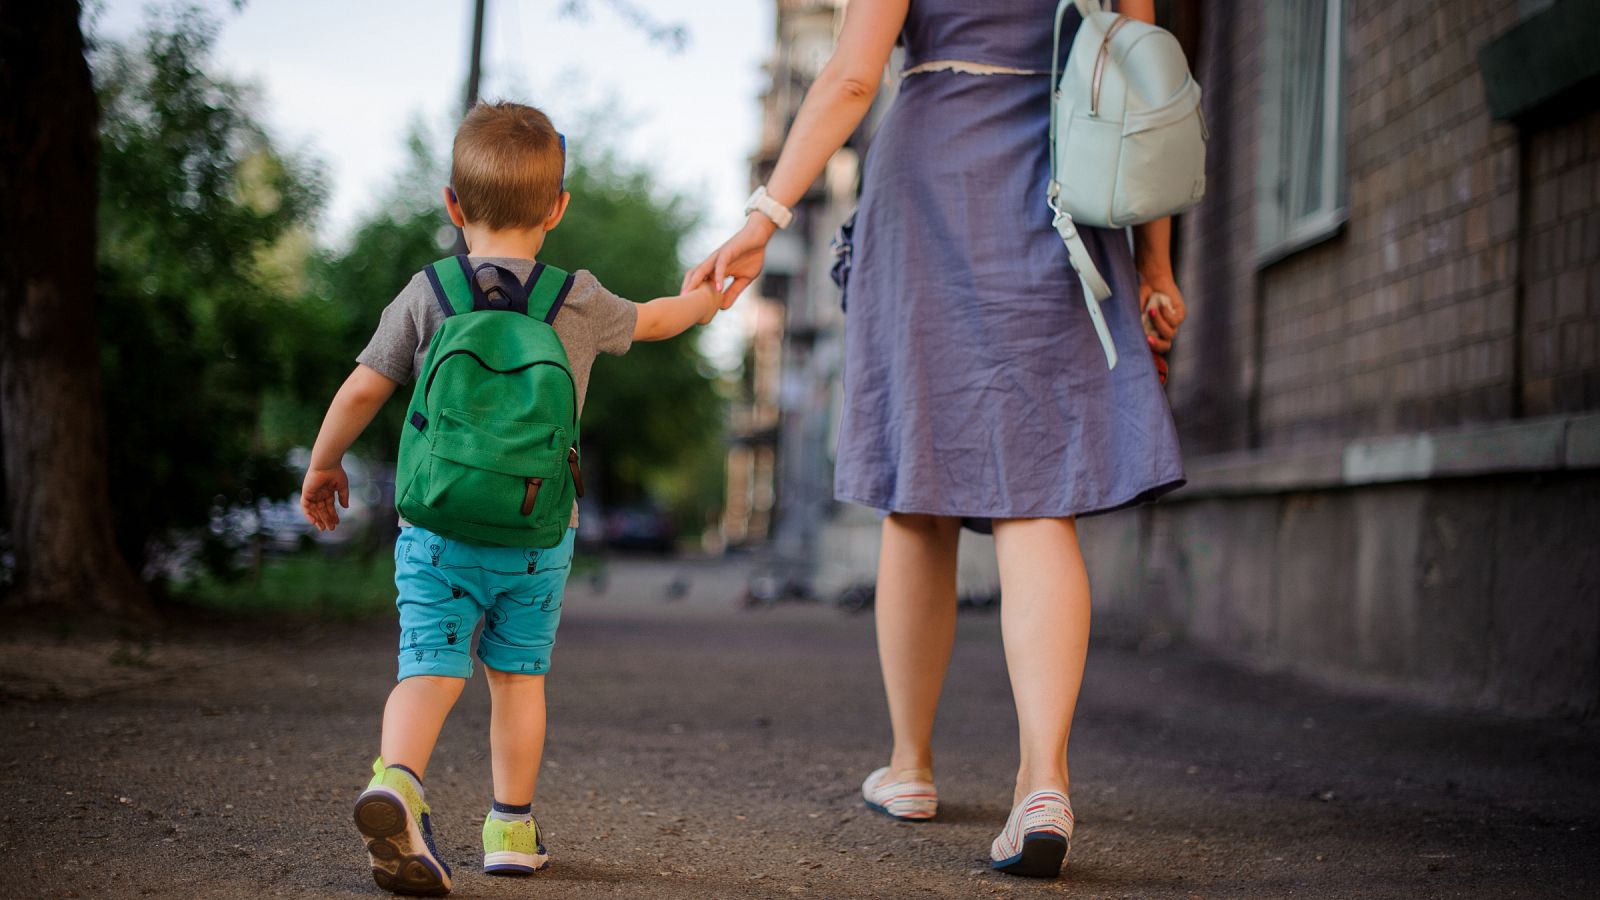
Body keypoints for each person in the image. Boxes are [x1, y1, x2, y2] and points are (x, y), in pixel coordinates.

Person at [687, 0, 1187, 879]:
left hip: (930, 184)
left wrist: (765, 215)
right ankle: (1043, 784)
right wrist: (1155, 264)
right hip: (1065, 184)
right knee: (1038, 493)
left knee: (917, 489)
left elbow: (852, 77)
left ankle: (910, 766)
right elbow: (1142, 69)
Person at [300, 101, 720, 897]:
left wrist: (324, 466)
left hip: (435, 529)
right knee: (518, 679)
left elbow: (362, 389)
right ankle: (511, 831)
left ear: (452, 204)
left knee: (429, 668)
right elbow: (660, 321)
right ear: (558, 209)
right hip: (536, 534)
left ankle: (398, 784)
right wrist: (708, 298)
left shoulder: (428, 293)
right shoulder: (577, 298)